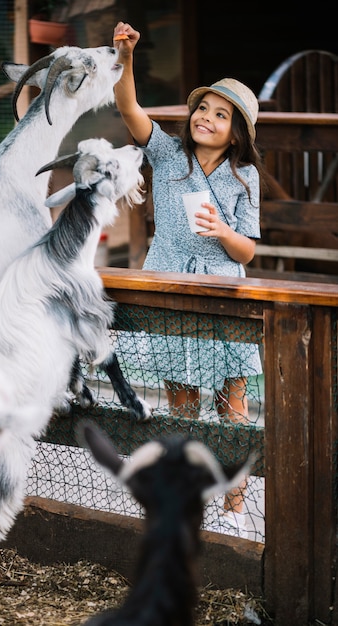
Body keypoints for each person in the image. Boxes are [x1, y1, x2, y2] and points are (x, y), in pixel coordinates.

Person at [112, 22, 267, 538]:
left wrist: (223, 230)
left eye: (221, 115)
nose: (206, 118)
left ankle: (236, 506)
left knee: (234, 400)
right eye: (203, 108)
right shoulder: (167, 155)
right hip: (171, 278)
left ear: (237, 131)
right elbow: (130, 110)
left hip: (224, 288)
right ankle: (187, 503)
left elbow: (247, 247)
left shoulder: (245, 177)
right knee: (180, 399)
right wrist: (125, 57)